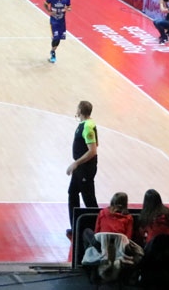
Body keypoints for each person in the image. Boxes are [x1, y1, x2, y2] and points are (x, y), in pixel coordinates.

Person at [65, 100, 99, 236]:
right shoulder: (86, 124)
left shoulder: (88, 127)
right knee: (72, 193)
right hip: (81, 168)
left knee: (89, 199)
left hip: (85, 168)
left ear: (80, 110)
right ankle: (75, 228)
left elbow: (93, 150)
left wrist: (76, 163)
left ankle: (98, 228)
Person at [44, 0, 71, 64]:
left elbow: (69, 6)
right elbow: (45, 4)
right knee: (55, 37)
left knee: (59, 38)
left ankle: (53, 50)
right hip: (54, 21)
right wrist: (49, 11)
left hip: (62, 21)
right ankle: (53, 54)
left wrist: (68, 9)